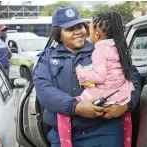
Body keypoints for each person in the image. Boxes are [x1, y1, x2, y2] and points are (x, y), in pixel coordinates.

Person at [33, 6, 141, 147]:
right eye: (70, 29)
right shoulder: (46, 58)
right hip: (64, 134)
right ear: (59, 34)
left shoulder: (104, 49)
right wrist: (75, 107)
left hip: (105, 131)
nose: (78, 32)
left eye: (80, 27)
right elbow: (44, 90)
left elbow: (133, 80)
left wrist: (126, 106)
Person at [57, 11, 134, 147]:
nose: (79, 32)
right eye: (70, 29)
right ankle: (127, 143)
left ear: (96, 34)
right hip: (121, 91)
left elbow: (99, 77)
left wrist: (80, 71)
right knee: (126, 115)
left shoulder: (98, 51)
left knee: (63, 113)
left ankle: (66, 144)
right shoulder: (119, 48)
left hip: (102, 93)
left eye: (84, 28)